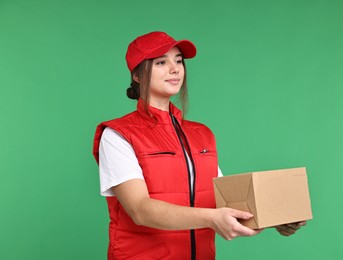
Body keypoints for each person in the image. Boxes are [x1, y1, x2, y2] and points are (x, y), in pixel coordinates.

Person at [92, 31, 306, 260]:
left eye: (178, 61)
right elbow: (140, 210)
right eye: (161, 62)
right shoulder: (118, 135)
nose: (175, 69)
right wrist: (212, 218)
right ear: (137, 75)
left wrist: (274, 216)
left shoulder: (201, 134)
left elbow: (223, 201)